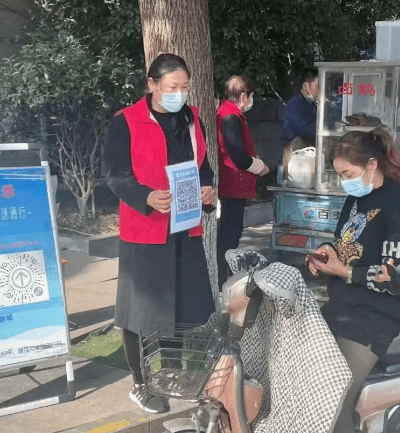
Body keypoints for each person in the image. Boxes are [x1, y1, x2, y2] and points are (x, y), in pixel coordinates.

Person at [103, 53, 215, 414]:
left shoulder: (192, 118)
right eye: (171, 87)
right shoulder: (127, 121)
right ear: (152, 85)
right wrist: (146, 197)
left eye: (184, 87)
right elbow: (115, 175)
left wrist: (209, 192)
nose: (179, 94)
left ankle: (171, 372)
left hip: (185, 226)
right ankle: (140, 383)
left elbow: (204, 167)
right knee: (139, 311)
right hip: (146, 230)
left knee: (180, 305)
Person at [306, 128, 400, 433]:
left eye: (348, 174)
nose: (344, 181)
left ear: (372, 165)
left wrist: (345, 273)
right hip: (343, 306)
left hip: (375, 317)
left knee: (335, 402)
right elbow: (348, 244)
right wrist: (328, 253)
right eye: (340, 174)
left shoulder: (398, 210)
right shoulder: (358, 199)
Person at [216, 75, 269, 285]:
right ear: (244, 96)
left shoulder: (229, 113)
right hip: (232, 183)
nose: (251, 100)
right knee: (230, 233)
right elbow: (237, 154)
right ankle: (222, 278)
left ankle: (223, 275)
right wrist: (259, 167)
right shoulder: (230, 116)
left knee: (230, 232)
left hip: (232, 183)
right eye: (251, 96)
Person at [281, 71, 319, 177]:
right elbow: (303, 130)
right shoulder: (295, 104)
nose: (320, 90)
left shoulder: (312, 105)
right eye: (317, 86)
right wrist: (322, 128)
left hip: (307, 157)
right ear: (306, 86)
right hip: (296, 156)